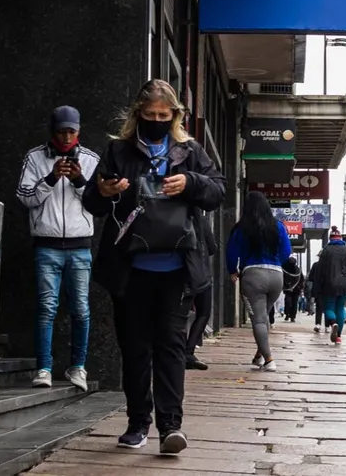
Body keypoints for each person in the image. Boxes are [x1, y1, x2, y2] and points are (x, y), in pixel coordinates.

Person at [83, 80, 225, 454]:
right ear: (137, 115)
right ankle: (137, 422)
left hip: (178, 267)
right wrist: (105, 191)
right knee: (134, 349)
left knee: (171, 348)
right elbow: (92, 203)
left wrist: (191, 182)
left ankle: (169, 426)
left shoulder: (190, 151)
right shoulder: (118, 150)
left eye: (164, 116)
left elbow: (218, 190)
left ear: (175, 116)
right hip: (130, 268)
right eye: (150, 116)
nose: (157, 121)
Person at [17, 106, 100, 392]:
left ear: (79, 131)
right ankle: (44, 367)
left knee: (81, 309)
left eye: (71, 131)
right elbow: (25, 197)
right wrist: (51, 178)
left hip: (80, 246)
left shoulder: (91, 160)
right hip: (46, 245)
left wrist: (79, 181)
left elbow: (99, 202)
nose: (66, 137)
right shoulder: (35, 157)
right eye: (61, 131)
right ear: (52, 131)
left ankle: (78, 367)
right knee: (46, 308)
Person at [225, 191, 290, 372]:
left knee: (259, 320)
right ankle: (259, 356)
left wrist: (233, 270)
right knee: (264, 316)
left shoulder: (241, 228)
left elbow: (231, 252)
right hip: (276, 276)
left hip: (253, 275)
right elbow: (286, 251)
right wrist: (276, 262)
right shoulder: (278, 226)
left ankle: (269, 360)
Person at [185, 224, 217, 370]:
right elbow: (212, 248)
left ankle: (175, 351)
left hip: (175, 271)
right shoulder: (199, 218)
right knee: (203, 313)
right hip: (200, 274)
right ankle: (188, 351)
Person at [317, 226, 346, 344]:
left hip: (329, 284)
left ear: (330, 239)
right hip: (344, 284)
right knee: (340, 308)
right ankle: (338, 336)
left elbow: (320, 270)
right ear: (341, 238)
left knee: (328, 307)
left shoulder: (326, 250)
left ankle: (333, 323)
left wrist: (317, 287)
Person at [282, 255, 304, 321]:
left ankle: (292, 316)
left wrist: (299, 286)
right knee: (288, 302)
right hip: (288, 289)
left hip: (296, 289)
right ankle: (287, 314)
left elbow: (301, 279)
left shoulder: (298, 270)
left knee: (294, 303)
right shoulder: (286, 269)